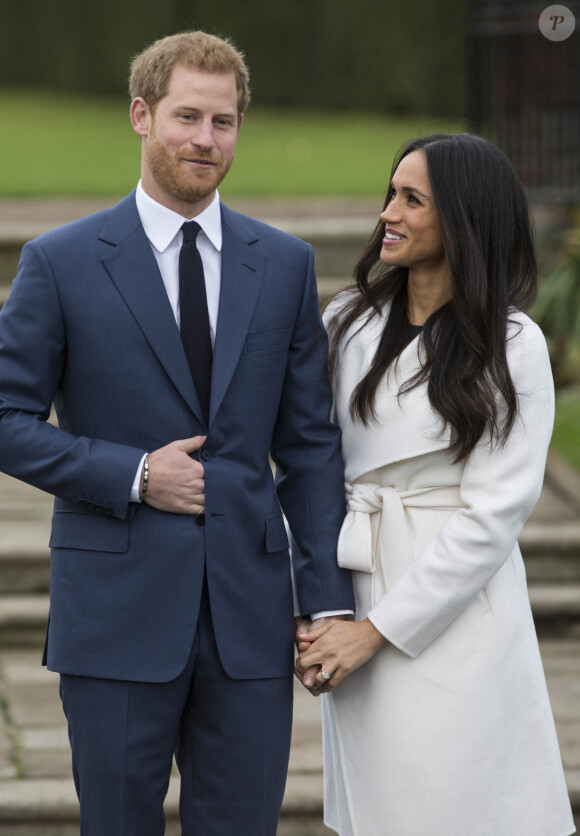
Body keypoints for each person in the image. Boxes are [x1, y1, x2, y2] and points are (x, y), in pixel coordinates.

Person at [0, 31, 354, 836]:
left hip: (251, 620)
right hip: (114, 617)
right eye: (187, 116)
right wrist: (132, 475)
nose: (205, 139)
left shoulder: (287, 264)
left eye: (223, 122)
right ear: (141, 115)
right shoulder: (61, 263)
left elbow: (309, 445)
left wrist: (327, 601)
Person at [295, 134, 576, 835]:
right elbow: (309, 463)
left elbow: (493, 516)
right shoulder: (346, 321)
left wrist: (376, 633)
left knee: (462, 806)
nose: (388, 212)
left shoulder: (514, 345)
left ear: (465, 219)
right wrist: (324, 615)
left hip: (457, 616)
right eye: (390, 193)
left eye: (412, 200)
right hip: (358, 582)